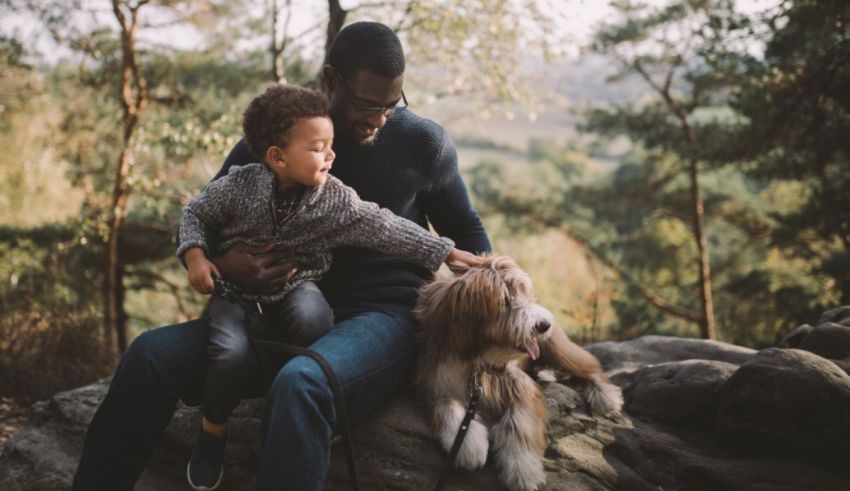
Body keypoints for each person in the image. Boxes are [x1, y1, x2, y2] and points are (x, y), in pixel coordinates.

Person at [72, 21, 491, 491]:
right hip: (270, 312)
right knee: (149, 354)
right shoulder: (274, 141)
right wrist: (223, 262)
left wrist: (496, 303)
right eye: (368, 104)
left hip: (379, 319)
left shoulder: (424, 144)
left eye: (392, 105)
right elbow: (203, 217)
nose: (379, 119)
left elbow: (464, 229)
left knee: (302, 383)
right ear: (331, 80)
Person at [179, 83, 478, 490]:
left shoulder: (332, 198)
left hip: (296, 287)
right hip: (235, 296)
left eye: (331, 144)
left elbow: (382, 225)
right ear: (277, 158)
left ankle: (310, 407)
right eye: (320, 148)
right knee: (229, 352)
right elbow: (195, 212)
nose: (333, 156)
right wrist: (198, 257)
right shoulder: (240, 185)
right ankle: (213, 429)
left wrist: (445, 251)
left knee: (313, 315)